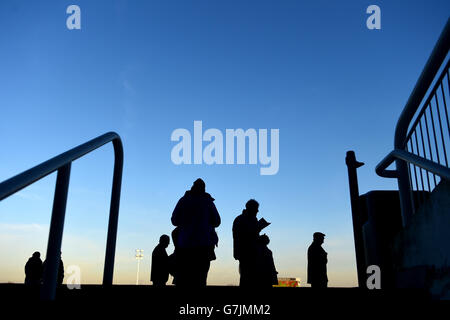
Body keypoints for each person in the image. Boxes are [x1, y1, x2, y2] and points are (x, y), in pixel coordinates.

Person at [171, 178, 221, 287]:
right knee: (200, 279)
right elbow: (217, 221)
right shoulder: (208, 202)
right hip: (203, 246)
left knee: (184, 279)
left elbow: (174, 220)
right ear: (203, 189)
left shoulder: (183, 200)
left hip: (185, 245)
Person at [233, 199, 264, 287]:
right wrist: (257, 230)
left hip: (246, 252)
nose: (258, 211)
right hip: (247, 252)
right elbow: (244, 236)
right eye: (256, 208)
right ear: (252, 209)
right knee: (247, 278)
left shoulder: (241, 219)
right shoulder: (244, 220)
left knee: (247, 278)